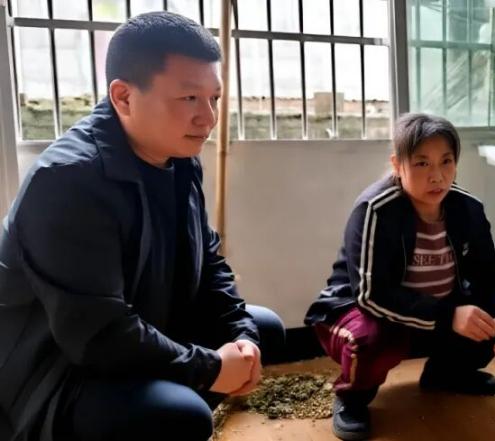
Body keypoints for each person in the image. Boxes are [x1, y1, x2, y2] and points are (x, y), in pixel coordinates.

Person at [0, 11, 284, 441]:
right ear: (124, 96)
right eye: (189, 98)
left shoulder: (179, 158)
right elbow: (99, 333)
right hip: (59, 369)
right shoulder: (68, 180)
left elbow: (209, 261)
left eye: (214, 98)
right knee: (181, 416)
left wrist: (240, 336)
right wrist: (209, 368)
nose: (208, 118)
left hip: (139, 328)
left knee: (263, 332)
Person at [305, 113, 495, 440]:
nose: (437, 176)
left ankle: (445, 374)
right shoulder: (375, 210)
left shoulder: (468, 209)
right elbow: (371, 296)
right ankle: (352, 398)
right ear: (397, 164)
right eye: (422, 163)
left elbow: (492, 274)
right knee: (369, 339)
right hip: (361, 313)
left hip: (433, 315)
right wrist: (449, 315)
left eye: (446, 161)